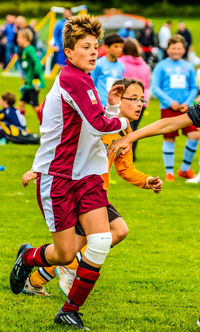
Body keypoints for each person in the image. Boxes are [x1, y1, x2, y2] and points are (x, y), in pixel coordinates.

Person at [9, 15, 134, 330]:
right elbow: (97, 126)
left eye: (96, 46)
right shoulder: (72, 79)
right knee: (65, 253)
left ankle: (69, 311)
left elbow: (92, 123)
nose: (94, 52)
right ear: (69, 52)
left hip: (86, 177)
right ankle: (28, 258)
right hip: (59, 178)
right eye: (86, 47)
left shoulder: (84, 77)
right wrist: (124, 121)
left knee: (104, 238)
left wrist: (111, 106)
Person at [21, 78, 163, 297]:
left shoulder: (126, 132)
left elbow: (125, 168)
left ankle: (35, 279)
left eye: (142, 100)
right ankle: (62, 273)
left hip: (96, 194)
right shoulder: (98, 122)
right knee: (115, 231)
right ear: (117, 97)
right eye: (133, 99)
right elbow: (63, 146)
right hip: (77, 189)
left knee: (77, 245)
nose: (139, 105)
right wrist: (39, 169)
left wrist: (146, 181)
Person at [151, 34, 198, 182]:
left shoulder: (188, 66)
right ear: (168, 49)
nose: (176, 51)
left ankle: (184, 169)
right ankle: (169, 172)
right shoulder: (161, 66)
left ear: (184, 50)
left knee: (194, 135)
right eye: (173, 48)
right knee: (169, 138)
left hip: (186, 108)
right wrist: (170, 102)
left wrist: (187, 102)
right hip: (168, 107)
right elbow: (155, 87)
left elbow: (193, 87)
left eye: (179, 48)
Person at [119, 38, 150, 160]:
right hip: (143, 100)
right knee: (134, 128)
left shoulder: (120, 63)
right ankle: (132, 154)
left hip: (127, 99)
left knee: (124, 127)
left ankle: (125, 154)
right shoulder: (144, 65)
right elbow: (147, 83)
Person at [17, 28, 45, 119]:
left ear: (24, 38)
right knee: (21, 103)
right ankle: (21, 125)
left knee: (35, 106)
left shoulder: (30, 49)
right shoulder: (26, 50)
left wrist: (36, 77)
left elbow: (37, 63)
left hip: (33, 84)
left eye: (19, 38)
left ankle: (45, 123)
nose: (17, 40)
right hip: (29, 83)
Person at [91, 33, 125, 107]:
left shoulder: (121, 66)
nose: (119, 49)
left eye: (121, 47)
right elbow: (91, 85)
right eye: (116, 46)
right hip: (100, 105)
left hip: (115, 105)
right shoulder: (98, 64)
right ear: (107, 47)